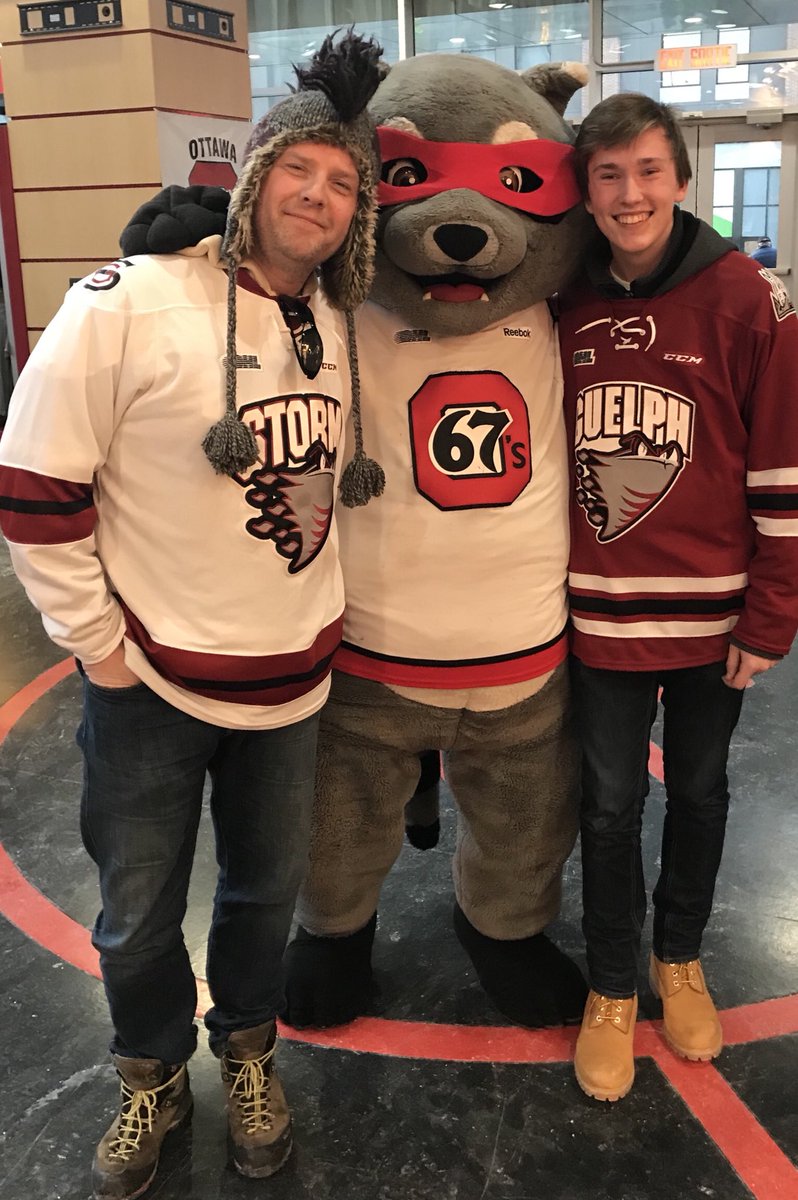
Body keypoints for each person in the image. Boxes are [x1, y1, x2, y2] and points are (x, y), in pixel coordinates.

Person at [0, 31, 382, 1200]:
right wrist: (99, 650)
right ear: (253, 174)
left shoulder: (342, 319)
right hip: (152, 686)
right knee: (134, 912)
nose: (317, 198)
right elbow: (33, 485)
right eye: (299, 172)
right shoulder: (129, 301)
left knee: (266, 896)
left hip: (295, 684)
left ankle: (250, 1054)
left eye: (343, 183)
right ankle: (152, 1071)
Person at [556, 93, 798, 1102]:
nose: (629, 194)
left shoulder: (750, 298)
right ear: (586, 189)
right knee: (608, 810)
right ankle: (613, 985)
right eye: (608, 175)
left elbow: (783, 469)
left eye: (648, 171)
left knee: (698, 796)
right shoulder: (558, 293)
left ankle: (679, 958)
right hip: (598, 615)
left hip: (714, 620)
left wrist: (772, 615)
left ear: (682, 179)